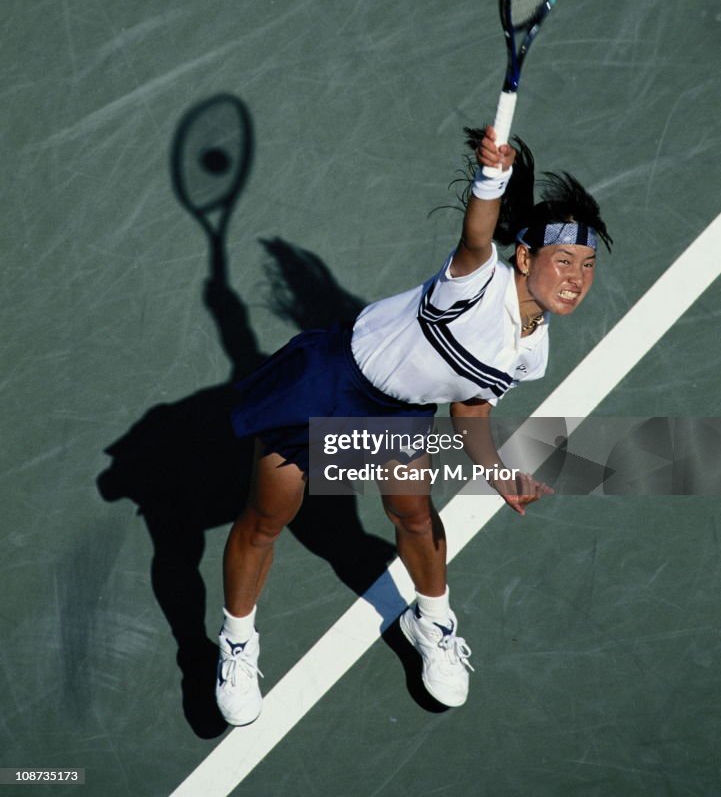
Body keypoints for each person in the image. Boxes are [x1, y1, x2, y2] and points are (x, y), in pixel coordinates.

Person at [215, 125, 612, 725]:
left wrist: (496, 471)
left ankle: (430, 621)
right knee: (269, 518)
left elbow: (470, 403)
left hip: (399, 414)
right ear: (526, 257)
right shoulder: (478, 283)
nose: (576, 279)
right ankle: (238, 643)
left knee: (415, 515)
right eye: (563, 261)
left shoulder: (533, 353)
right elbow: (478, 233)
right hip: (328, 382)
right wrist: (491, 178)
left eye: (586, 265)